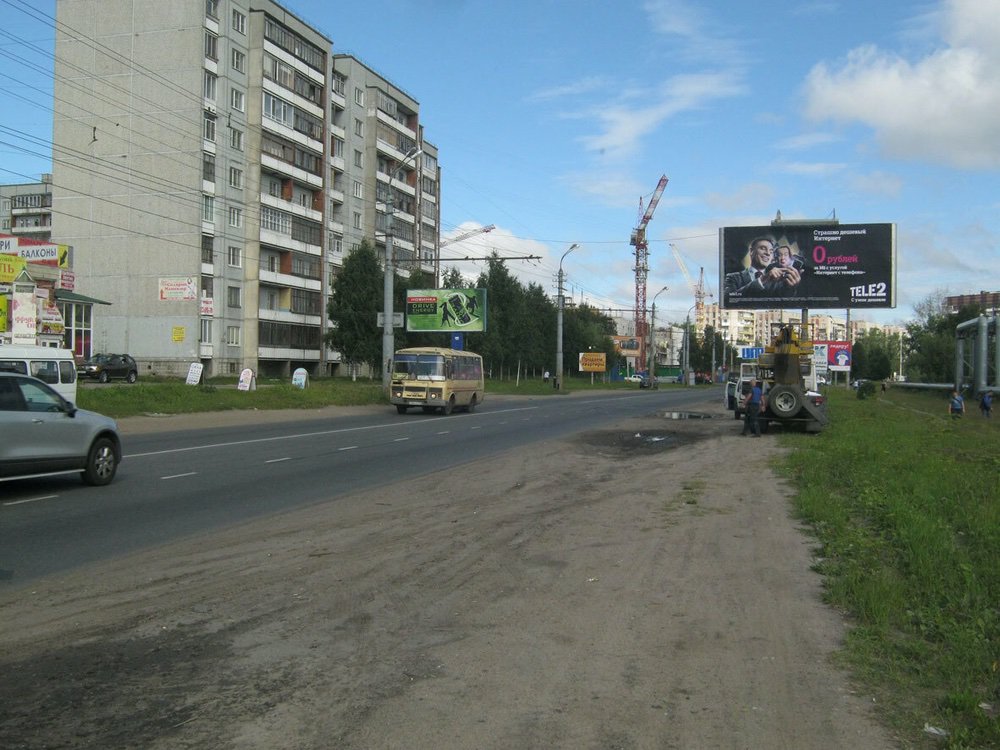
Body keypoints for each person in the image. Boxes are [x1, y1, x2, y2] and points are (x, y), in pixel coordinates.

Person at [724, 235, 802, 298]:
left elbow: (784, 300)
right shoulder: (733, 277)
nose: (768, 253)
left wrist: (791, 287)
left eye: (771, 251)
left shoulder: (779, 280)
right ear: (751, 251)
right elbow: (728, 299)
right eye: (763, 248)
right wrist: (762, 280)